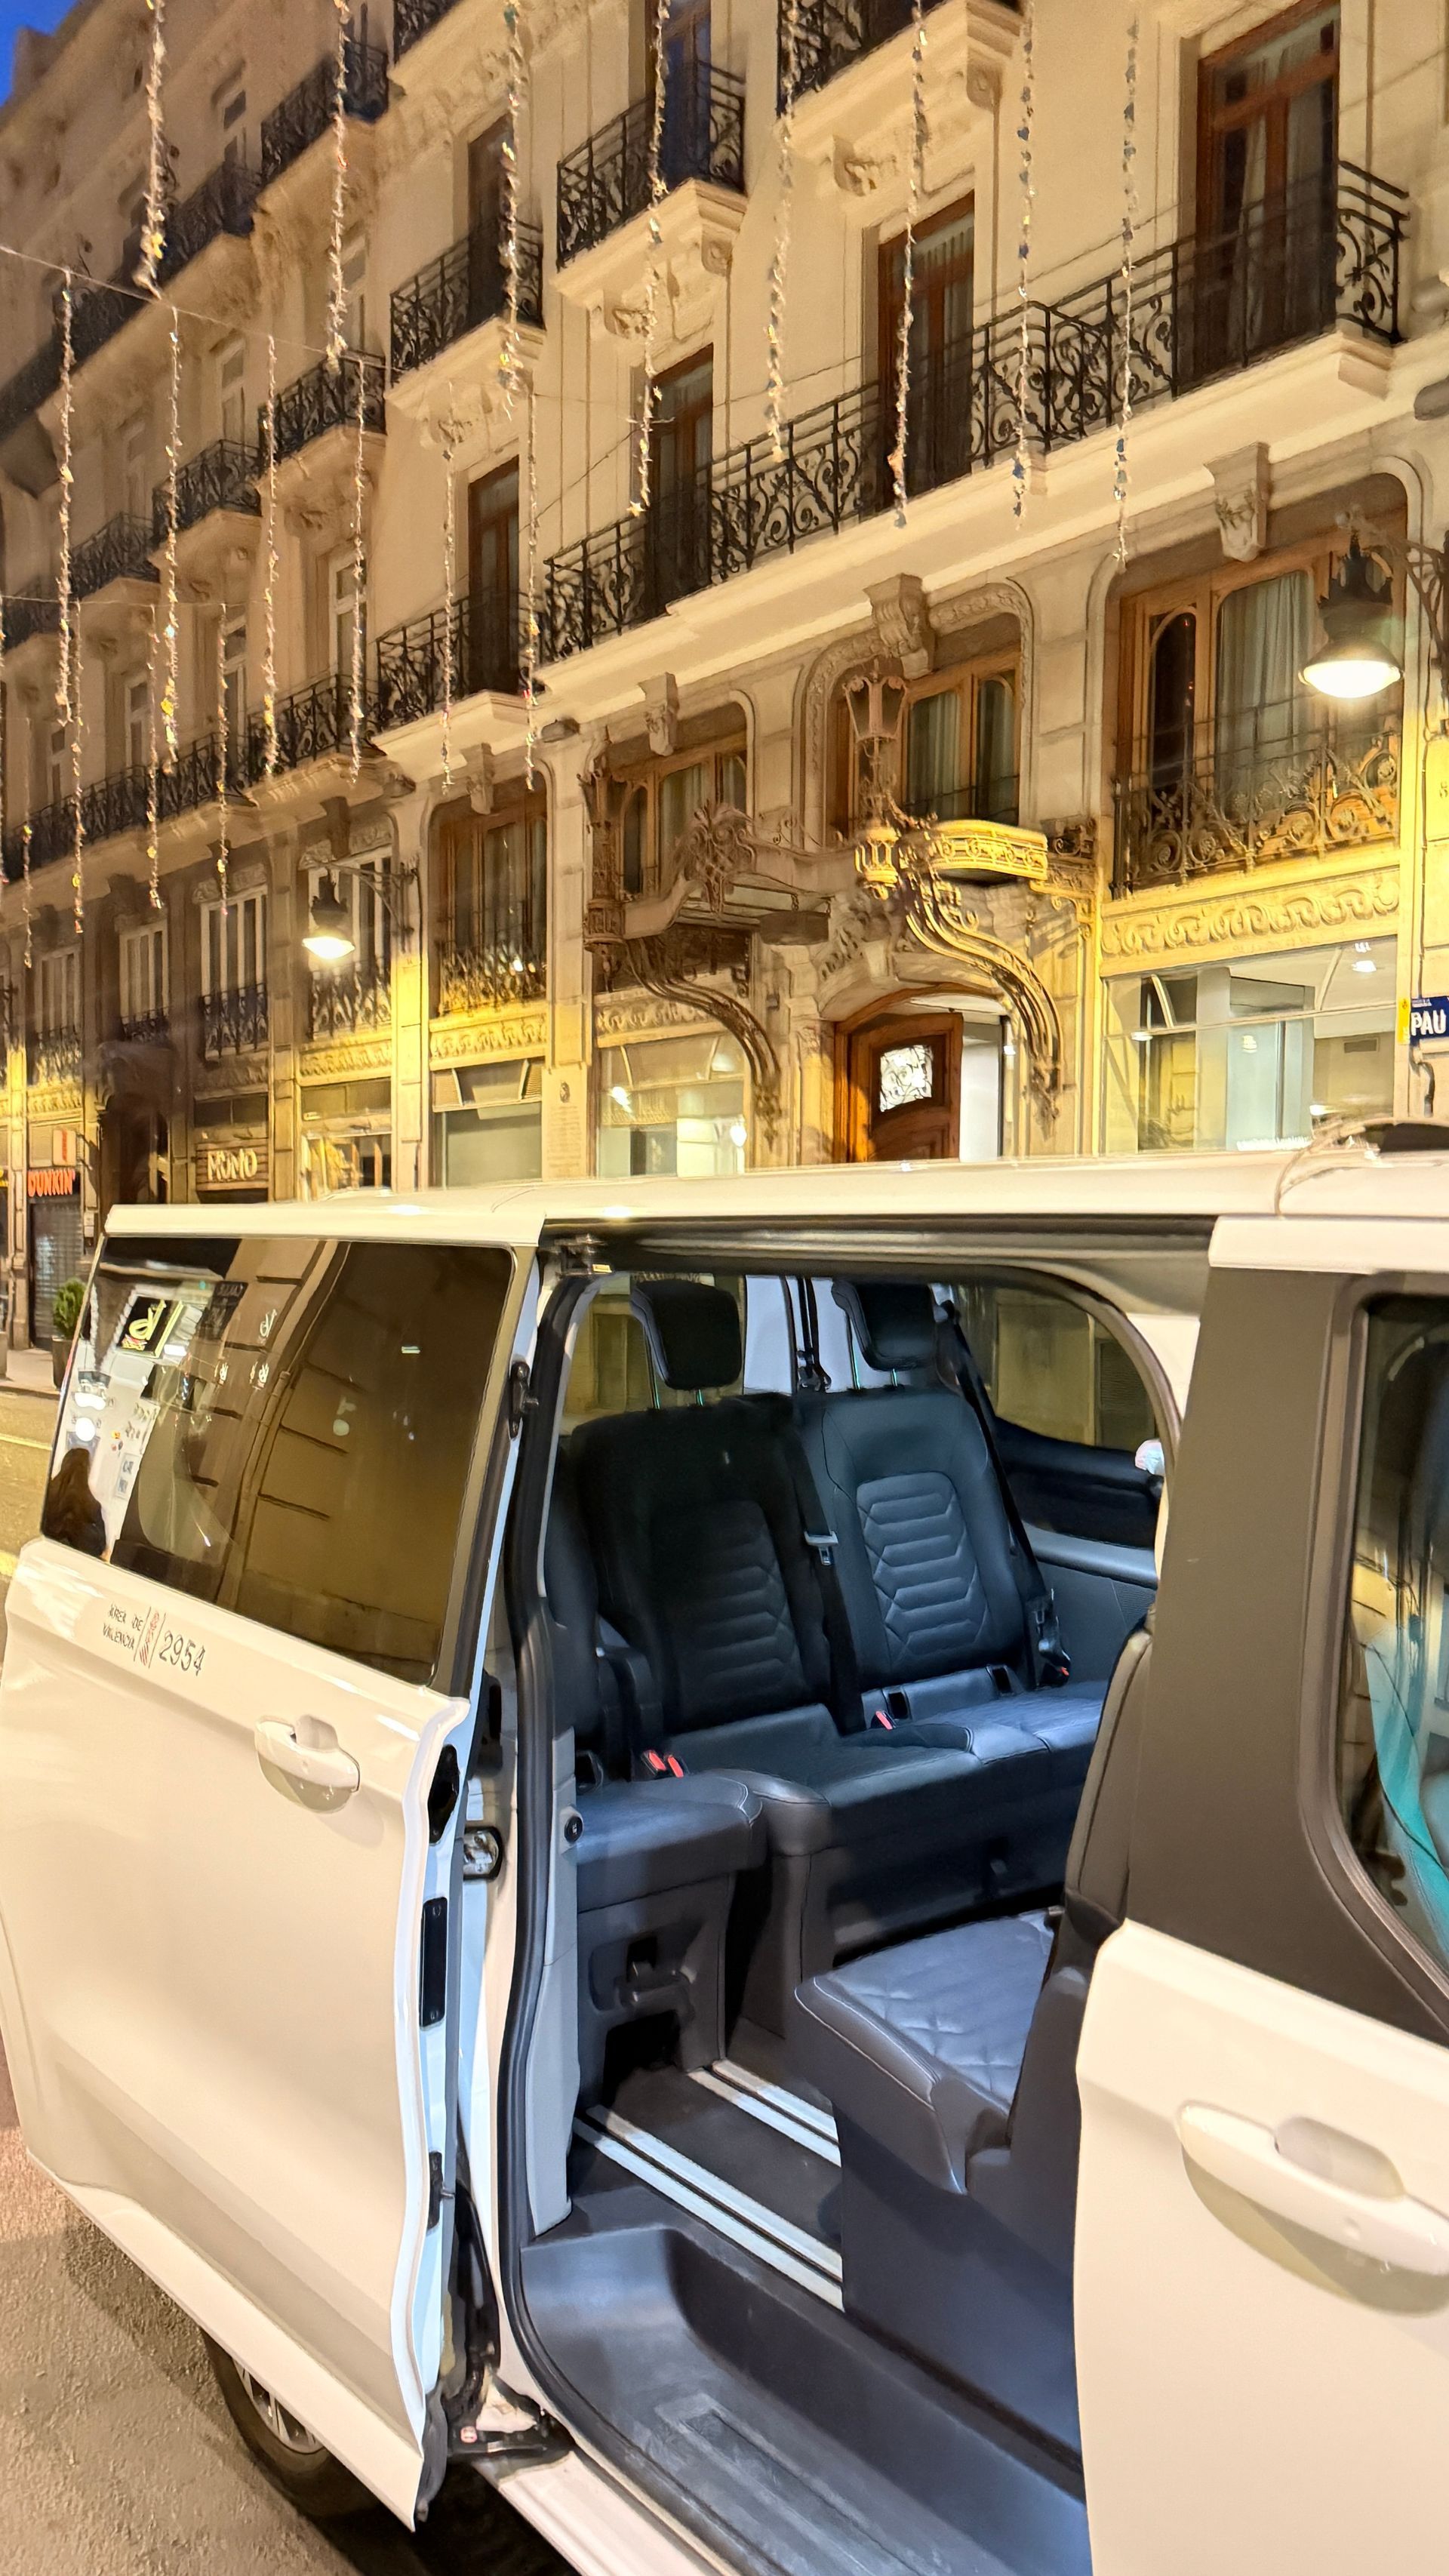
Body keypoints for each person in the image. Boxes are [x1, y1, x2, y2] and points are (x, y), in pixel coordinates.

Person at [42, 1443, 107, 1559]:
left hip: (43, 1556)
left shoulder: (46, 1493)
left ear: (64, 1464)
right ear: (87, 1471)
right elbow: (100, 1548)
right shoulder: (92, 1506)